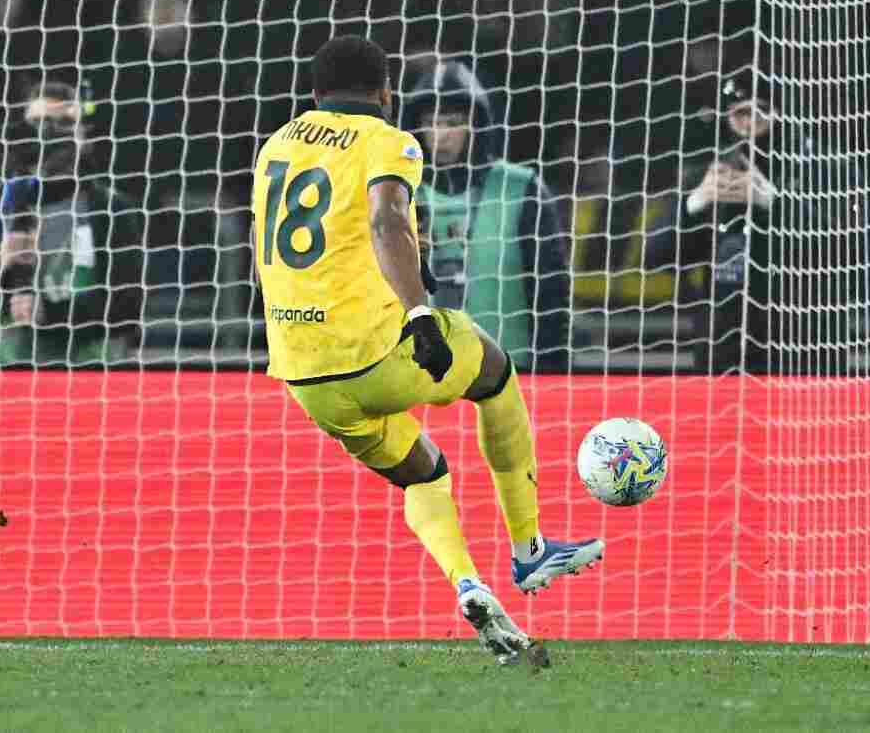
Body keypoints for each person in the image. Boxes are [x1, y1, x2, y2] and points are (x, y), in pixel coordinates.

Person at [250, 36, 604, 665]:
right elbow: (388, 221)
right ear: (387, 95)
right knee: (494, 371)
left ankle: (469, 584)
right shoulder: (391, 142)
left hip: (304, 374)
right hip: (376, 351)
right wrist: (420, 313)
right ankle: (529, 549)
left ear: (312, 95)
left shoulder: (277, 145)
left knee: (423, 472)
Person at [0, 80, 145, 365]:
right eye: (38, 123)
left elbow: (128, 307)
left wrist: (52, 314)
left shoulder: (109, 208)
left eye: (61, 124)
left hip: (91, 372)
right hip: (1, 371)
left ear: (84, 134)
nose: (47, 134)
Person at [643, 69, 827, 373]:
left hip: (800, 346)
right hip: (721, 348)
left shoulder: (820, 168)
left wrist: (772, 202)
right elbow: (655, 256)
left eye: (759, 111)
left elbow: (847, 248)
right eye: (739, 113)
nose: (748, 123)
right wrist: (694, 204)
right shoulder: (712, 171)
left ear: (780, 112)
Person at [398, 58, 573, 371]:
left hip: (509, 372)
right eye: (433, 123)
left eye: (452, 123)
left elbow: (552, 292)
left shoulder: (522, 188)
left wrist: (552, 372)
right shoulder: (398, 191)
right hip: (415, 373)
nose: (442, 134)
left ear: (475, 125)